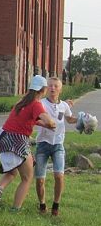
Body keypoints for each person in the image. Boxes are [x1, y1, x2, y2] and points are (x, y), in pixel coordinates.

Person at [0, 75, 56, 211]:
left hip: (5, 137)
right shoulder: (36, 104)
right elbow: (48, 120)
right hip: (18, 141)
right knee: (27, 177)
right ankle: (16, 208)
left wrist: (41, 124)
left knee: (12, 171)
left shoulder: (22, 102)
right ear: (42, 90)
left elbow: (27, 119)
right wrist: (52, 123)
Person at [34, 76, 77, 216]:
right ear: (46, 88)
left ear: (60, 89)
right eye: (50, 85)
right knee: (40, 179)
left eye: (55, 86)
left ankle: (56, 205)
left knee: (59, 176)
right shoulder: (40, 103)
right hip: (42, 144)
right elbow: (34, 118)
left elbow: (69, 119)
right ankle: (42, 204)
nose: (52, 88)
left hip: (58, 144)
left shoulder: (64, 105)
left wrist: (82, 119)